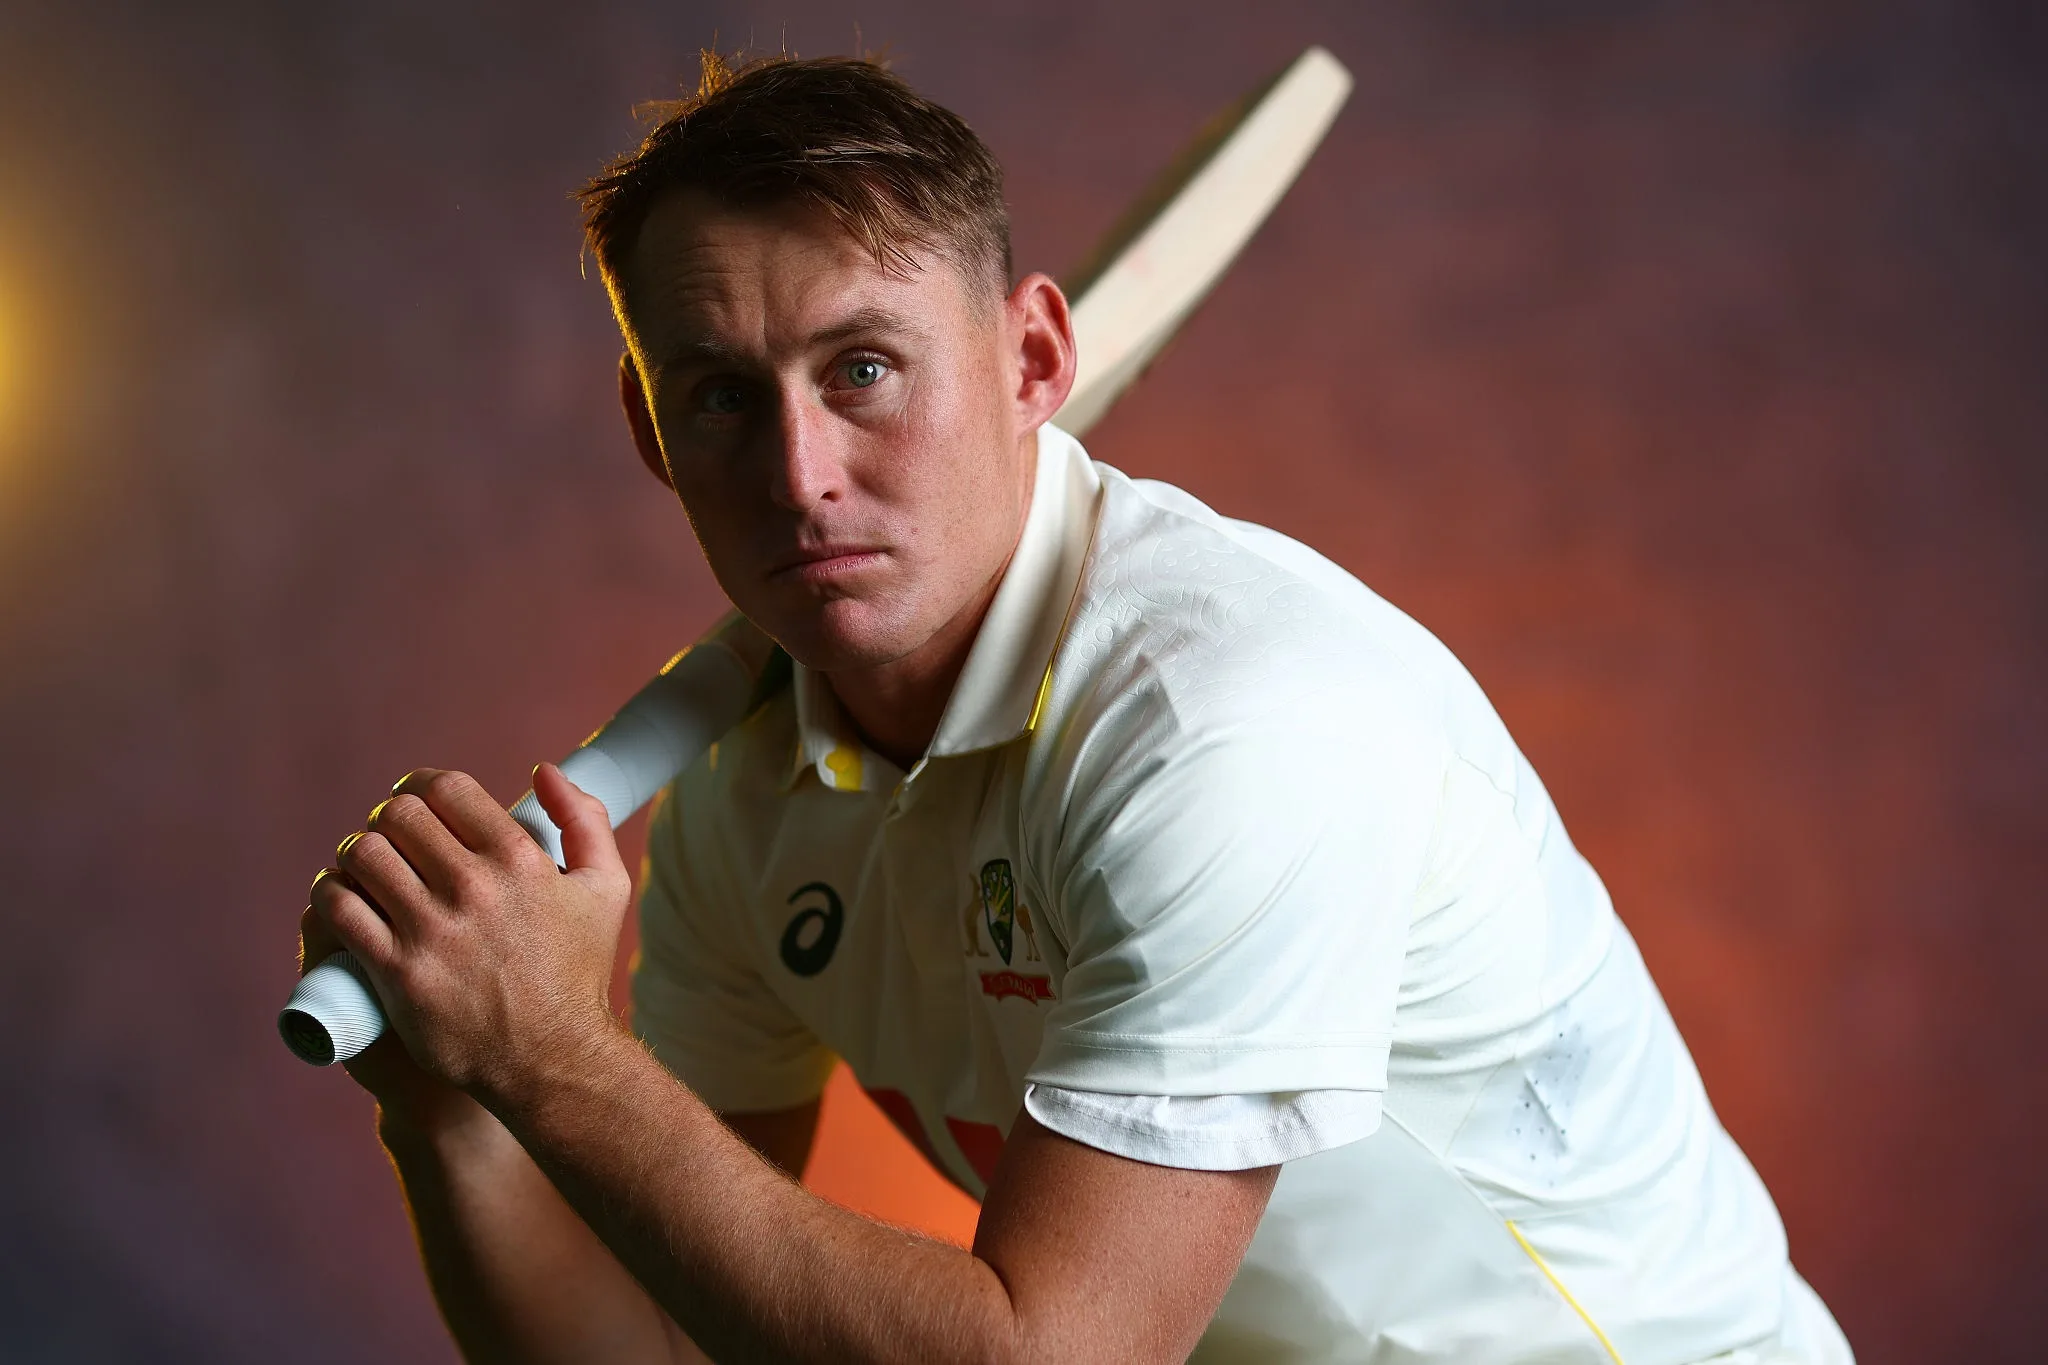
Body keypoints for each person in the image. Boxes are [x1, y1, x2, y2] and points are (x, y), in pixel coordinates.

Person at [299, 52, 1855, 1364]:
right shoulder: (739, 803)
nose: (800, 478)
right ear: (651, 431)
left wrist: (562, 1060)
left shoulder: (1227, 723)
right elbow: (665, 1341)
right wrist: (461, 1107)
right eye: (721, 396)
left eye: (862, 369)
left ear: (1034, 356)